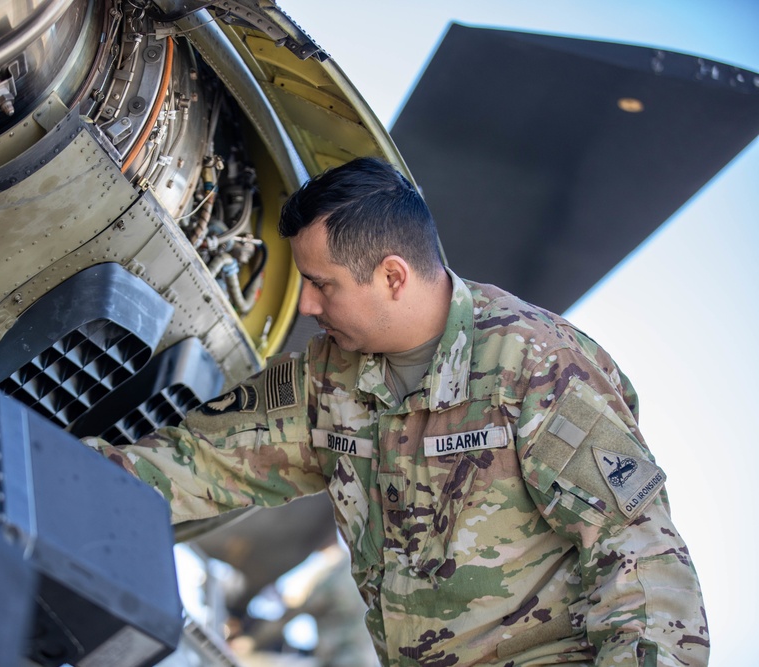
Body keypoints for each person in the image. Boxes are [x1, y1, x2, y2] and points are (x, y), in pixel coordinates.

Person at [87, 157, 709, 666]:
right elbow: (195, 463)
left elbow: (637, 548)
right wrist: (35, 473)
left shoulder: (537, 364)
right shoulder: (325, 380)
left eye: (322, 283)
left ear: (391, 276)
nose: (306, 305)